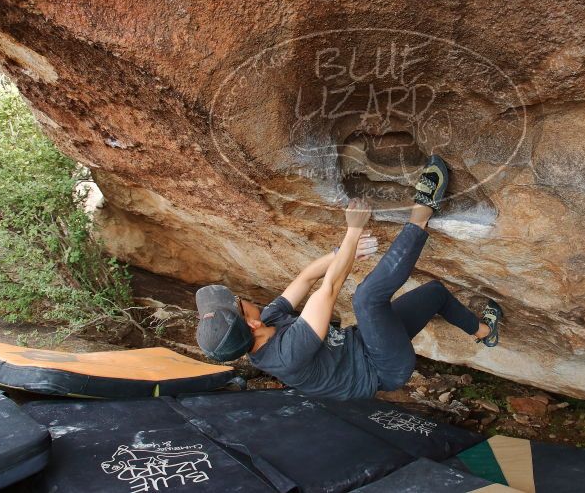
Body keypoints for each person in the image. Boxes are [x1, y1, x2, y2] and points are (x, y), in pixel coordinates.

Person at [195, 155, 502, 400]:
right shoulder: (285, 356)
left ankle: (484, 332)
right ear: (251, 324)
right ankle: (423, 209)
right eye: (237, 303)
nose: (241, 298)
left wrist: (341, 252)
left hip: (365, 343)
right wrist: (353, 230)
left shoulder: (267, 321)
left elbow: (305, 279)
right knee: (366, 299)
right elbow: (329, 288)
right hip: (382, 368)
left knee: (434, 293)